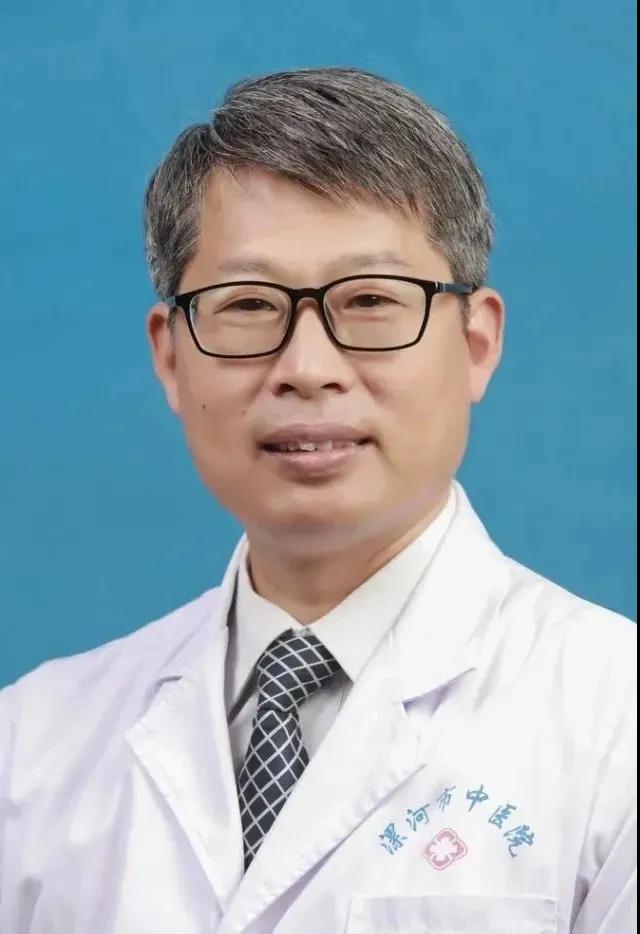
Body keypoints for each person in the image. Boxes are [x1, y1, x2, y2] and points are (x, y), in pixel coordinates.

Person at [0, 67, 635, 934]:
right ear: (171, 358)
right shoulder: (31, 745)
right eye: (247, 304)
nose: (307, 368)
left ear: (477, 343)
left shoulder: (617, 721)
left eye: (371, 300)